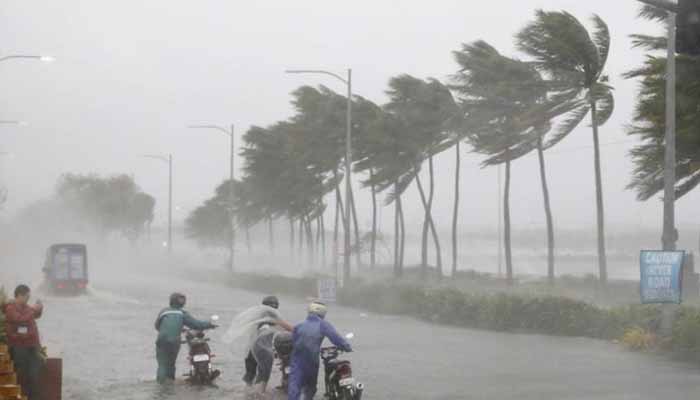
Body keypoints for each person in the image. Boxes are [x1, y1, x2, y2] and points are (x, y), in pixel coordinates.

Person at [287, 300, 352, 400]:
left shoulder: (298, 326)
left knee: (294, 387)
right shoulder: (323, 325)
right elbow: (336, 338)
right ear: (323, 312)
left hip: (297, 360)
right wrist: (347, 347)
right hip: (312, 361)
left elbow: (293, 342)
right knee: (311, 387)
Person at [154, 292, 217, 383]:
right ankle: (170, 384)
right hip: (175, 341)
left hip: (161, 340)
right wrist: (210, 325)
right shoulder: (182, 313)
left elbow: (157, 326)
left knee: (162, 364)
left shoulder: (163, 311)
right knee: (171, 364)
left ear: (171, 301)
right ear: (182, 303)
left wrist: (176, 329)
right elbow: (196, 325)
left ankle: (160, 384)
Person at [243, 295, 293, 391]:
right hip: (264, 350)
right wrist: (298, 331)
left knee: (250, 373)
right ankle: (259, 393)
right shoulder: (273, 317)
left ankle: (247, 393)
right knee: (264, 374)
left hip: (252, 348)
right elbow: (288, 327)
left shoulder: (257, 316)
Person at [3, 284, 43, 400]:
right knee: (22, 375)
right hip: (19, 347)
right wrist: (33, 310)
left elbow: (35, 314)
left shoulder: (26, 307)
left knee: (34, 375)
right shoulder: (10, 308)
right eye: (26, 297)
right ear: (19, 295)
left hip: (32, 345)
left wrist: (39, 308)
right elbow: (20, 319)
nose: (28, 300)